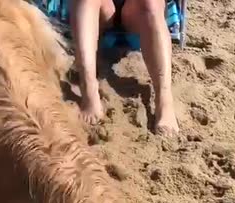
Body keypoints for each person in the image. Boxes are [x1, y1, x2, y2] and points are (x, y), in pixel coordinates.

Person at [69, 0, 179, 136]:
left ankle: (164, 99)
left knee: (151, 3)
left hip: (138, 9)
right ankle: (88, 86)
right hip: (100, 7)